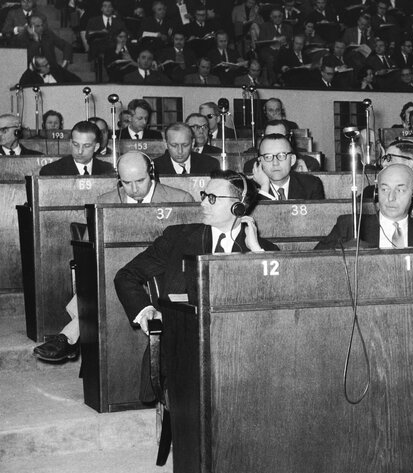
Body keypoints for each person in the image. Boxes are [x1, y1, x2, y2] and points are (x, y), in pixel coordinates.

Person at [114, 171, 278, 397]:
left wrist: (256, 253)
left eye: (212, 198)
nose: (202, 202)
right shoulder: (178, 238)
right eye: (204, 195)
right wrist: (146, 311)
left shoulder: (265, 250)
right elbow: (127, 275)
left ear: (238, 207)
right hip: (184, 350)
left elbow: (274, 303)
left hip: (243, 350)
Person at [33, 152, 195, 362]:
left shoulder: (181, 199)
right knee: (110, 272)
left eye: (140, 181)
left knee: (113, 275)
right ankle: (69, 337)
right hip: (119, 269)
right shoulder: (105, 202)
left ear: (152, 173)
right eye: (126, 183)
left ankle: (68, 337)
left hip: (158, 271)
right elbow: (90, 247)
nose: (134, 189)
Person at [315, 164, 413, 250]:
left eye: (400, 190)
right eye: (384, 189)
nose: (391, 197)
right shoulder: (350, 226)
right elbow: (313, 263)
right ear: (376, 192)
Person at [251, 133, 324, 200]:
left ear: (292, 160)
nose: (275, 163)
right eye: (268, 157)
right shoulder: (249, 189)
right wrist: (264, 188)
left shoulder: (311, 185)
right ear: (260, 161)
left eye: (282, 156)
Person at [243, 120, 320, 173]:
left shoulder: (309, 163)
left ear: (289, 139)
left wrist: (305, 176)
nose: (275, 142)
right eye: (269, 137)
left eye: (280, 137)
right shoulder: (252, 166)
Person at [39, 122, 115, 176]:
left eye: (86, 146)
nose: (80, 151)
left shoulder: (108, 170)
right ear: (70, 143)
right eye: (76, 145)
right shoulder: (51, 172)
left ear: (96, 147)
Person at [153, 122, 220, 176]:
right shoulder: (154, 168)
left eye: (185, 145)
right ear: (165, 144)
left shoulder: (210, 164)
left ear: (193, 142)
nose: (180, 151)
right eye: (174, 145)